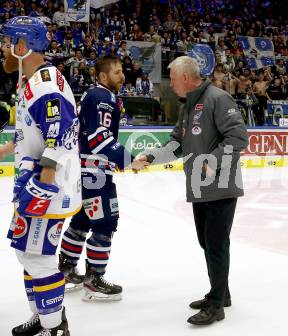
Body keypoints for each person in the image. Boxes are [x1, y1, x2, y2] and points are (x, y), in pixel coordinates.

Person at [137, 56, 248, 325]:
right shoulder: (189, 106)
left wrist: (213, 160)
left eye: (172, 79)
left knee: (216, 245)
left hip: (221, 187)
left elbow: (238, 137)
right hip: (200, 188)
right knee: (207, 243)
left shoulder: (218, 99)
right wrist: (151, 157)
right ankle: (221, 293)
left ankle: (216, 305)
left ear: (185, 77)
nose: (171, 84)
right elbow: (177, 142)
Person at [2, 16, 82, 335]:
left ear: (22, 47)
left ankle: (55, 327)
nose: (5, 49)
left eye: (8, 43)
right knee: (27, 253)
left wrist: (44, 177)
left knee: (39, 257)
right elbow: (36, 131)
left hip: (46, 186)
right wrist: (9, 149)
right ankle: (44, 316)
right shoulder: (33, 80)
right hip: (33, 181)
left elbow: (60, 130)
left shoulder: (45, 82)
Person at [58, 55, 147, 302]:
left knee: (82, 220)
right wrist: (128, 160)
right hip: (95, 174)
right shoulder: (103, 97)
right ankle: (94, 279)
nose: (122, 76)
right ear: (103, 76)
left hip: (85, 170)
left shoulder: (92, 94)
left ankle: (65, 271)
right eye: (117, 72)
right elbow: (100, 138)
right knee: (105, 222)